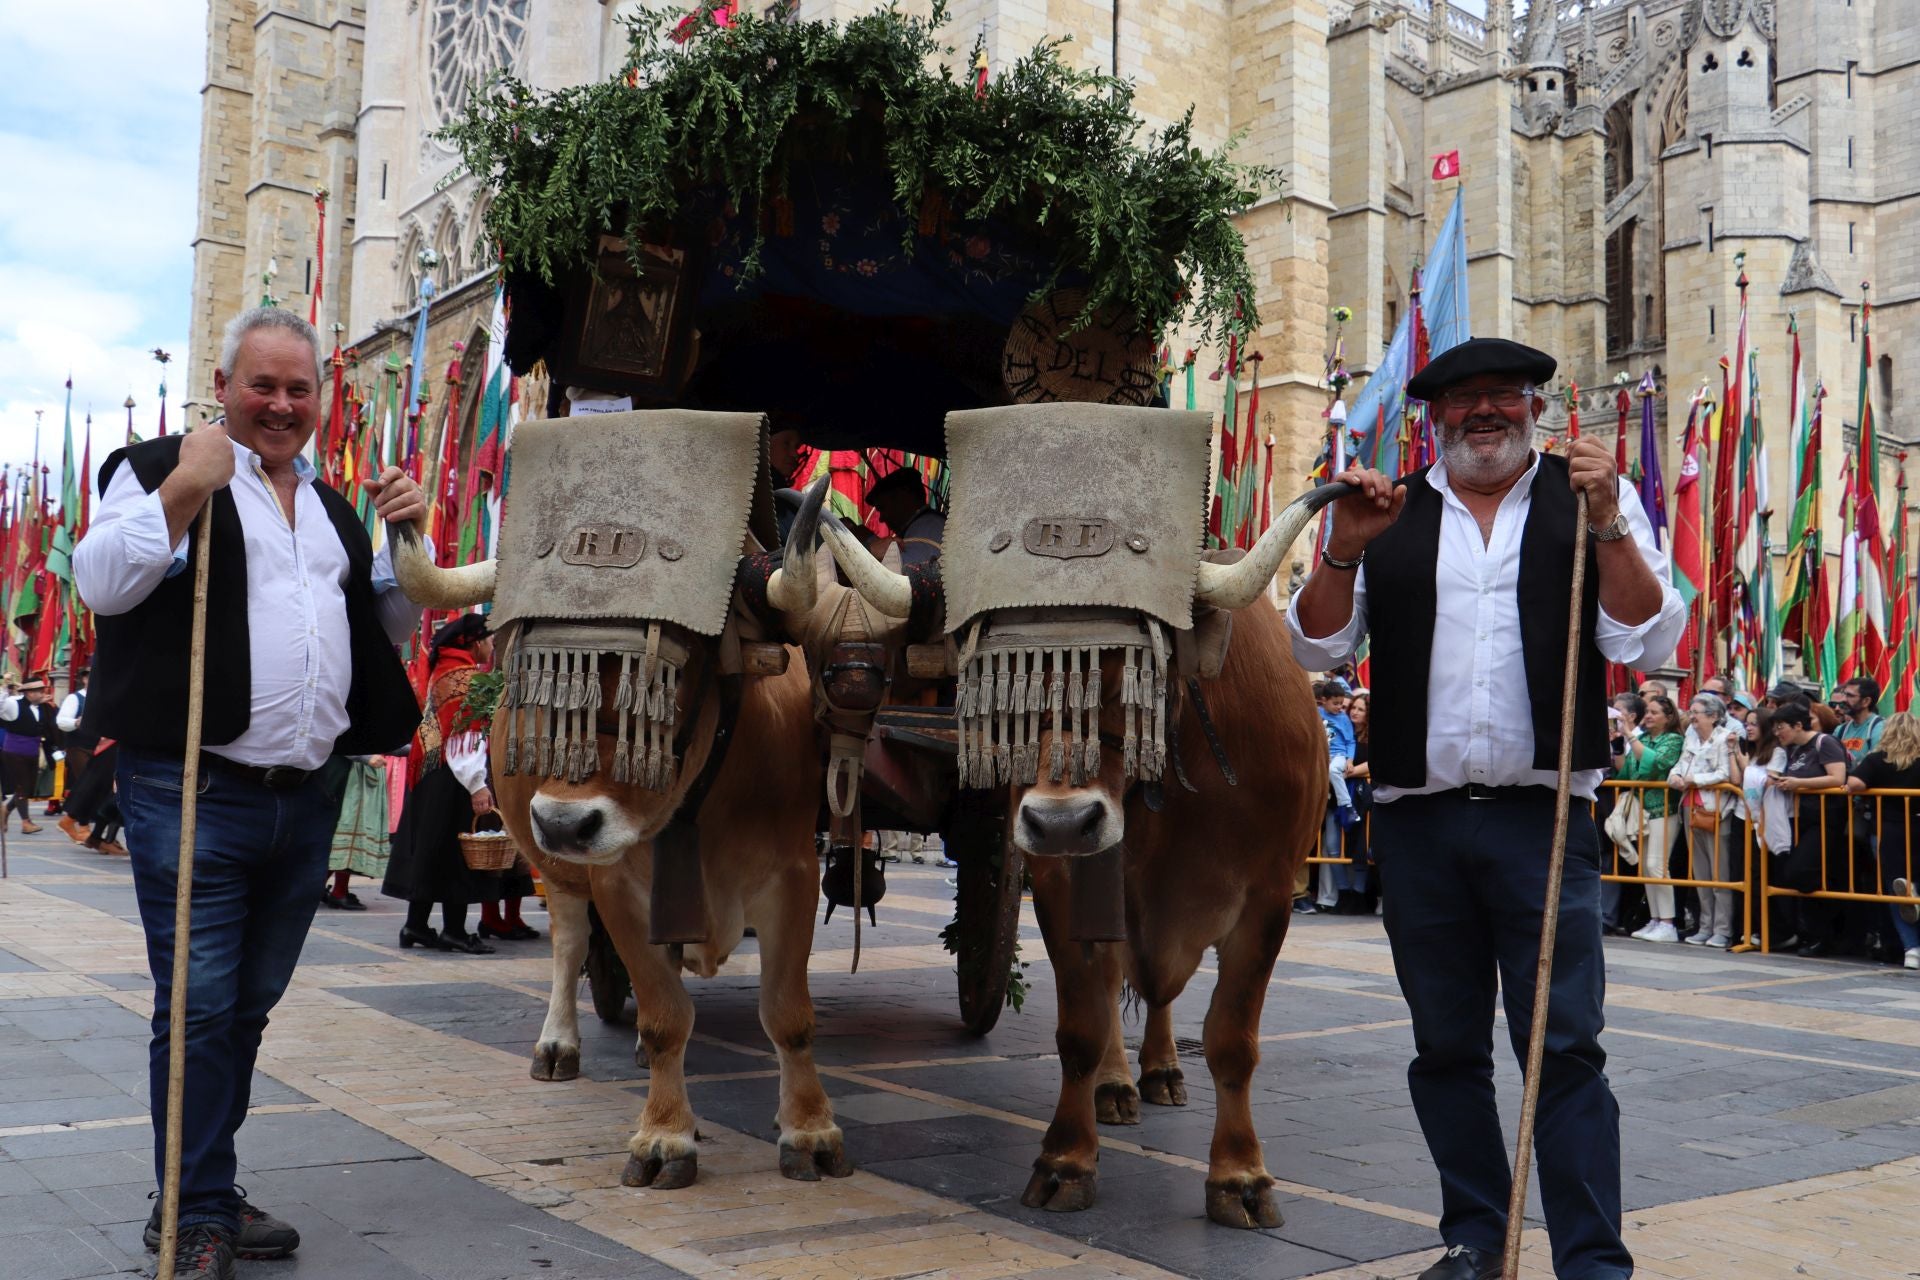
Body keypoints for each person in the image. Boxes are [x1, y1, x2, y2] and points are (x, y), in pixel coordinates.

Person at [1287, 336, 1683, 1280]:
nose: (1484, 414)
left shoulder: (1588, 496)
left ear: (1534, 407)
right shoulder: (1384, 511)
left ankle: (1591, 1260)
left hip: (1543, 825)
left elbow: (1644, 635)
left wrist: (1610, 525)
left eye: (1503, 396)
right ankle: (1474, 1239)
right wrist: (1341, 550)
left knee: (1566, 1047)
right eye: (1462, 402)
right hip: (1420, 824)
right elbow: (1315, 649)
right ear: (1434, 420)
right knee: (1445, 1047)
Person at [72, 306, 425, 1279]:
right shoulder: (153, 468)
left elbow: (382, 627)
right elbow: (101, 580)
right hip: (193, 786)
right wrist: (189, 483)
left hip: (303, 794)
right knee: (199, 1003)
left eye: (297, 388)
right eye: (261, 385)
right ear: (224, 384)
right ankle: (194, 1211)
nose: (279, 404)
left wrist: (406, 540)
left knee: (247, 1005)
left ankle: (203, 1186)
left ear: (319, 399)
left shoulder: (330, 506)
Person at [383, 613, 526, 951]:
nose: (492, 647)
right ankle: (455, 931)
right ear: (475, 642)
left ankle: (415, 926)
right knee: (455, 854)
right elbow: (464, 738)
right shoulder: (467, 679)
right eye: (490, 640)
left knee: (431, 852)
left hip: (431, 776)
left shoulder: (443, 672)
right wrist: (478, 785)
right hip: (453, 778)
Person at [1767, 701, 1850, 957]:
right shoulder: (1793, 750)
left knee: (1801, 871)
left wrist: (1799, 783)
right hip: (1799, 820)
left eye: (1781, 727)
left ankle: (1823, 931)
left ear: (1798, 725)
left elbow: (1837, 778)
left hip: (1826, 818)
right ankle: (1813, 932)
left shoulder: (1824, 743)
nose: (1778, 733)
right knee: (1796, 874)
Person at [1844, 710, 1920, 970]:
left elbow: (1853, 783)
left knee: (1894, 888)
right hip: (1918, 825)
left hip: (1889, 830)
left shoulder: (1877, 760)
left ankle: (1911, 948)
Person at [1667, 693, 1738, 947]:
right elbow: (1679, 765)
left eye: (1697, 712)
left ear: (1714, 716)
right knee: (1701, 872)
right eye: (1692, 711)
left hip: (1715, 809)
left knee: (1720, 873)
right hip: (1689, 807)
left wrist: (1694, 780)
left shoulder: (1724, 739)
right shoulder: (1691, 737)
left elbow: (1726, 773)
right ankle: (1705, 925)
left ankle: (1723, 928)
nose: (1692, 716)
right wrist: (1675, 777)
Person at [1612, 696, 1682, 939]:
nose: (1648, 716)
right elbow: (1626, 774)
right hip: (1642, 810)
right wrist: (1619, 745)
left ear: (1668, 717)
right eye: (1647, 712)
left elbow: (1655, 764)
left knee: (1656, 865)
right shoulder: (1642, 739)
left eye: (1654, 712)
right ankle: (1655, 919)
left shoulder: (1673, 740)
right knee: (1646, 867)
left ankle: (1668, 922)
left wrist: (1630, 734)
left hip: (1663, 809)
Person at [1314, 680, 1363, 910]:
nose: (1340, 708)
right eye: (1336, 704)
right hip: (1320, 757)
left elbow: (1351, 741)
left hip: (1339, 757)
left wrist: (1351, 760)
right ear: (1323, 701)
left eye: (1342, 704)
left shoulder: (1342, 719)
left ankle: (1347, 805)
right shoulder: (1316, 714)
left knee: (1334, 770)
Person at [321, 755, 389, 910]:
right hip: (349, 774)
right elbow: (342, 737)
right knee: (345, 831)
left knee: (353, 832)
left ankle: (337, 889)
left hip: (362, 773)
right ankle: (325, 890)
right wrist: (366, 757)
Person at [0, 680, 58, 833]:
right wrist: (5, 689)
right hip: (14, 752)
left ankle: (5, 810)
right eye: (39, 691)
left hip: (32, 752)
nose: (42, 693)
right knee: (21, 787)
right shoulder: (14, 704)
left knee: (28, 789)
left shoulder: (42, 708)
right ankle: (26, 822)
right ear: (29, 693)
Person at [864, 467, 944, 567]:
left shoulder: (927, 526)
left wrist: (869, 544)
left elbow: (900, 574)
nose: (881, 518)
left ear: (904, 496)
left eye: (883, 508)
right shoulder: (926, 524)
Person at [56, 669, 98, 837]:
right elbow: (61, 721)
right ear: (84, 679)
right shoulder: (74, 698)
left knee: (93, 785)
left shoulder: (101, 698)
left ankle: (81, 824)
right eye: (88, 676)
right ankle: (83, 825)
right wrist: (76, 722)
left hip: (98, 746)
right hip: (78, 746)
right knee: (86, 783)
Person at [1835, 677, 1885, 762]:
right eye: (1844, 694)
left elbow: (1878, 764)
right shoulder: (1840, 730)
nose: (1843, 699)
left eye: (1850, 696)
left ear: (1866, 701)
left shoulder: (1880, 728)